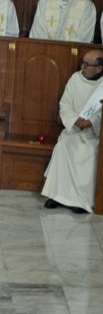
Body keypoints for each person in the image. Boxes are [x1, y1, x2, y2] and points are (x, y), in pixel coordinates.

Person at [41, 49, 103, 213]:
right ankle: (56, 195)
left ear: (99, 68)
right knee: (62, 146)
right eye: (83, 63)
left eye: (87, 65)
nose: (82, 67)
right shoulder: (75, 78)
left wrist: (91, 122)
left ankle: (80, 201)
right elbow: (65, 104)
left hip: (94, 135)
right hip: (74, 130)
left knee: (90, 152)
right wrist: (75, 120)